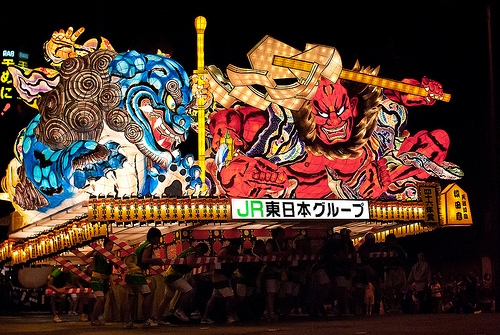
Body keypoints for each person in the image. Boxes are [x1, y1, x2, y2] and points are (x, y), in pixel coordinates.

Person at [155, 242, 209, 324]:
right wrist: (198, 265)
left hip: (169, 275)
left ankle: (158, 319)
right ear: (200, 249)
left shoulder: (188, 250)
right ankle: (179, 311)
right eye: (202, 252)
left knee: (166, 299)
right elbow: (189, 263)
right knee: (189, 291)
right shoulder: (192, 252)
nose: (201, 255)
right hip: (175, 276)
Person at [123, 227, 165, 328]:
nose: (159, 240)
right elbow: (145, 260)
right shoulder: (149, 246)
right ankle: (147, 320)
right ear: (153, 238)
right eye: (158, 238)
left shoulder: (142, 244)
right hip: (137, 273)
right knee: (147, 295)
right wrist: (156, 261)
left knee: (131, 297)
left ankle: (126, 322)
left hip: (129, 273)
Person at [201, 238, 241, 324]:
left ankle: (205, 317)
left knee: (214, 298)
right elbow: (220, 255)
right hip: (220, 276)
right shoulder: (225, 250)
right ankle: (229, 316)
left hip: (225, 276)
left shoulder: (235, 252)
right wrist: (231, 258)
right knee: (230, 297)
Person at [262, 227, 289, 321]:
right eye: (281, 234)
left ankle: (268, 311)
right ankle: (271, 312)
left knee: (276, 292)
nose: (283, 236)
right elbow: (269, 251)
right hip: (271, 271)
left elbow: (289, 252)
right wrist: (281, 253)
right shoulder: (271, 242)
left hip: (280, 270)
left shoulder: (284, 243)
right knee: (271, 292)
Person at [88, 237, 115, 326]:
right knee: (100, 299)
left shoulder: (111, 255)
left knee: (103, 300)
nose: (111, 247)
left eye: (112, 245)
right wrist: (95, 249)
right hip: (97, 278)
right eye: (109, 245)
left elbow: (115, 266)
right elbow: (87, 256)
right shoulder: (99, 252)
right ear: (105, 245)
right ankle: (94, 319)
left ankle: (96, 318)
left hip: (105, 280)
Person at [380, 233, 407, 314]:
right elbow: (381, 260)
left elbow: (404, 259)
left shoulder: (399, 249)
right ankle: (392, 306)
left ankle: (398, 305)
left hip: (396, 269)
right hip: (388, 270)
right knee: (389, 289)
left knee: (397, 288)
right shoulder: (384, 249)